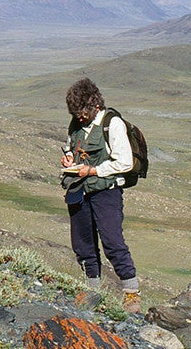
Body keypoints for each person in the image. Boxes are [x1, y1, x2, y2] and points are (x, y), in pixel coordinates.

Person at [60, 77, 140, 314]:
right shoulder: (76, 123)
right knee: (82, 244)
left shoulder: (112, 124)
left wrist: (93, 170)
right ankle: (92, 291)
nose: (79, 117)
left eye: (82, 112)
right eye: (75, 113)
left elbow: (124, 162)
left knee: (113, 242)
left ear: (94, 104)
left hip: (106, 191)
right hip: (79, 189)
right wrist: (69, 161)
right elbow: (70, 148)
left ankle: (131, 294)